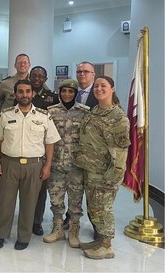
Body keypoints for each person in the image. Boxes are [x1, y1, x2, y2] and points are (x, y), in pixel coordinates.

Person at [0, 79, 60, 250]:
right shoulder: (6, 115)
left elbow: (50, 142)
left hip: (34, 165)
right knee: (4, 202)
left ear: (32, 93)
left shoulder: (44, 116)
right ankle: (0, 234)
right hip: (9, 164)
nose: (24, 95)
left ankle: (24, 236)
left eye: (27, 91)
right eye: (20, 91)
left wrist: (47, 166)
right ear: (15, 94)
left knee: (29, 204)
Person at [75, 76, 130, 259]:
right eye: (96, 86)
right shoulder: (95, 111)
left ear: (112, 89)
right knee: (94, 208)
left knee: (103, 209)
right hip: (91, 170)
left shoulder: (118, 117)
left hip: (105, 174)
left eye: (103, 86)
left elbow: (121, 152)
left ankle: (107, 246)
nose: (99, 89)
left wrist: (112, 178)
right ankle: (100, 241)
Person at [43, 79, 89, 248]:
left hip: (76, 166)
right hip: (55, 164)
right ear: (59, 93)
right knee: (56, 198)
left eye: (70, 91)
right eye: (64, 91)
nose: (67, 94)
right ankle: (57, 228)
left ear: (75, 93)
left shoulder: (85, 112)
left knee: (76, 200)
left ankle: (74, 230)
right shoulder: (50, 112)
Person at [63, 61, 99, 231]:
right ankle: (70, 219)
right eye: (79, 71)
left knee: (93, 195)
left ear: (93, 74)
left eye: (86, 71)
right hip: (72, 154)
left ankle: (97, 228)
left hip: (93, 154)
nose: (82, 74)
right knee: (74, 190)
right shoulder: (71, 92)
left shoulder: (99, 92)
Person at [29, 66, 59, 236]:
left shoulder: (52, 98)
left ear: (46, 79)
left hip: (42, 149)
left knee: (40, 190)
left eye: (41, 76)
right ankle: (25, 217)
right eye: (34, 75)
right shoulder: (22, 93)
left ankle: (36, 221)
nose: (37, 78)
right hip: (24, 148)